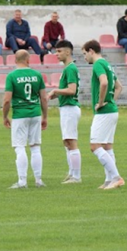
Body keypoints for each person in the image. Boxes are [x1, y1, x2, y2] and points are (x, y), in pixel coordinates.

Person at [83, 40, 124, 190]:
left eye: (84, 53)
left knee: (95, 146)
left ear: (91, 51)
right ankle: (109, 180)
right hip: (111, 110)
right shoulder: (108, 64)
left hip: (104, 112)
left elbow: (104, 83)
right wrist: (111, 101)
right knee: (107, 146)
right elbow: (119, 86)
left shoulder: (98, 64)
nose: (84, 57)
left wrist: (101, 102)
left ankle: (116, 177)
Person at [3, 50, 48, 189]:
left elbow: (6, 100)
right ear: (28, 60)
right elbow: (44, 98)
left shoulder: (12, 76)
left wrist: (5, 116)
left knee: (20, 147)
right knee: (35, 147)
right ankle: (38, 180)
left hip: (20, 115)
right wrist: (45, 116)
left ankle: (22, 181)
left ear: (15, 60)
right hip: (35, 113)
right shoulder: (37, 75)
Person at [47, 40, 81, 184]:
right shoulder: (67, 68)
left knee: (71, 141)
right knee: (67, 141)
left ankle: (76, 176)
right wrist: (54, 95)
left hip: (70, 108)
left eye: (59, 51)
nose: (56, 54)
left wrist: (55, 91)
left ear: (68, 52)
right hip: (66, 108)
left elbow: (71, 90)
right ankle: (72, 173)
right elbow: (66, 90)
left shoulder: (70, 68)